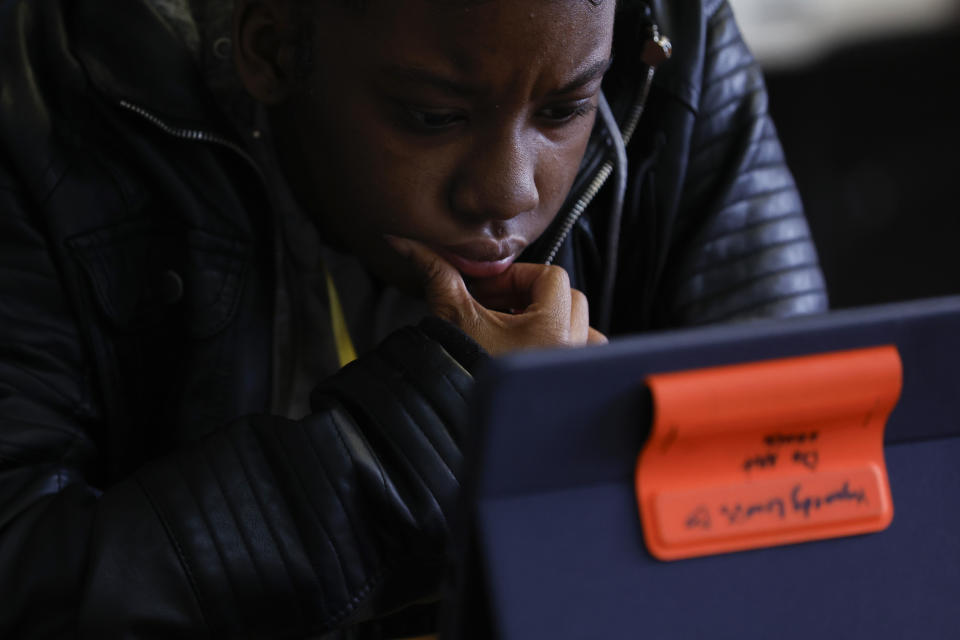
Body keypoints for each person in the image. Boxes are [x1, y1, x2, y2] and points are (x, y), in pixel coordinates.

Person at [0, 0, 827, 636]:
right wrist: (433, 429)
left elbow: (809, 495)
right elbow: (23, 581)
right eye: (435, 117)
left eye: (566, 109)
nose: (508, 192)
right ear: (272, 48)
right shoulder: (42, 86)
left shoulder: (668, 35)